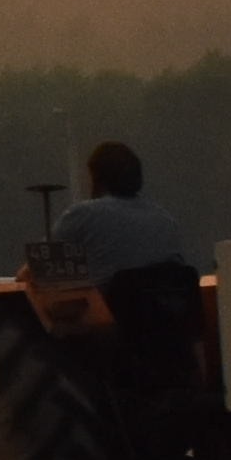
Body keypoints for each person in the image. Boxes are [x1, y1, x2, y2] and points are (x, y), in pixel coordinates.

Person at [46, 141, 205, 350]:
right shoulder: (165, 220)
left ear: (96, 177)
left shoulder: (82, 216)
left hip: (110, 343)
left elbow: (41, 269)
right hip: (170, 347)